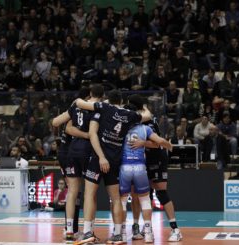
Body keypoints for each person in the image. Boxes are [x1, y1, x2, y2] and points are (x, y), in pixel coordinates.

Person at [75, 90, 151, 244]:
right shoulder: (130, 115)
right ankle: (118, 234)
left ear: (109, 99)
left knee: (89, 195)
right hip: (115, 161)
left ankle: (88, 232)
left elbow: (79, 103)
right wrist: (143, 105)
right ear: (121, 100)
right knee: (115, 199)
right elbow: (148, 116)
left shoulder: (104, 108)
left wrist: (101, 157)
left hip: (98, 158)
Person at [119, 94, 173, 243]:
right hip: (140, 167)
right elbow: (160, 141)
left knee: (123, 201)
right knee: (145, 199)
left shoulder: (120, 129)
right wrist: (169, 145)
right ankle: (148, 233)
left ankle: (122, 232)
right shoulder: (144, 128)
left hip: (125, 167)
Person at [51, 86, 93, 242]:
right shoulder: (77, 108)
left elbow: (55, 121)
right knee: (74, 190)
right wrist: (88, 135)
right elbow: (66, 128)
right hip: (68, 152)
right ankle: (70, 228)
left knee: (75, 192)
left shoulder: (75, 108)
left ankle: (72, 229)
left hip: (70, 152)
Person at [130, 118, 183, 242]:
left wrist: (142, 143)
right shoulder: (132, 122)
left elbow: (156, 143)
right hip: (144, 161)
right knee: (145, 194)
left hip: (157, 159)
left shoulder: (149, 122)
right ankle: (148, 228)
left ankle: (175, 230)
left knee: (161, 193)